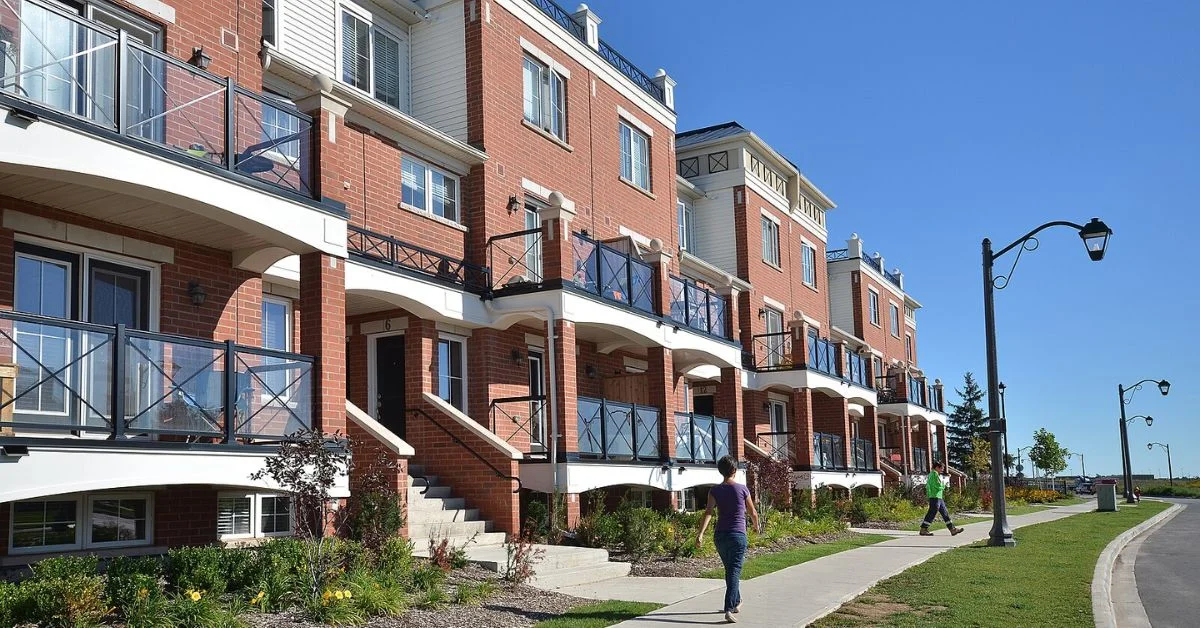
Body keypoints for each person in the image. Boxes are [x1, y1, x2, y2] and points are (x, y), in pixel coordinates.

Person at [697, 455, 760, 623]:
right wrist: (756, 527)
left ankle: (737, 601)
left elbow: (708, 512)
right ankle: (729, 608)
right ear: (734, 470)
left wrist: (700, 533)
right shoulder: (742, 489)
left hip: (720, 536)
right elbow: (753, 512)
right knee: (734, 570)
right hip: (737, 535)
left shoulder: (714, 491)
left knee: (730, 570)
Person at [919, 461, 964, 537]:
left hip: (938, 497)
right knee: (932, 513)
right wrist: (944, 483)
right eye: (942, 468)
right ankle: (923, 529)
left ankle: (952, 529)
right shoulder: (934, 474)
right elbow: (937, 485)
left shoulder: (934, 474)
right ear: (937, 467)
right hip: (935, 497)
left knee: (945, 513)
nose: (942, 470)